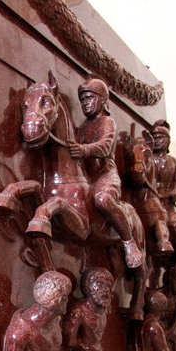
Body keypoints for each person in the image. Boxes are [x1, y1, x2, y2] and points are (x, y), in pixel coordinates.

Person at [69, 78, 143, 269]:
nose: (85, 103)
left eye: (89, 98)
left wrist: (84, 150)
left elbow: (106, 145)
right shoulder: (82, 127)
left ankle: (129, 242)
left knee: (103, 199)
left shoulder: (107, 122)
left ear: (102, 100)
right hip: (85, 177)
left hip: (105, 175)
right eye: (82, 100)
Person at [150, 119, 176, 281]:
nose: (158, 141)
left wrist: (171, 193)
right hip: (153, 201)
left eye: (161, 138)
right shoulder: (149, 160)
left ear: (168, 141)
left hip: (168, 203)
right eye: (155, 138)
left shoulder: (172, 161)